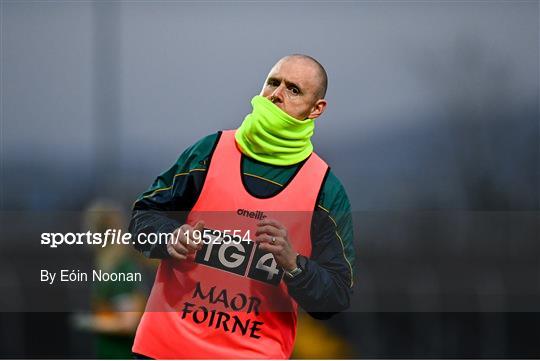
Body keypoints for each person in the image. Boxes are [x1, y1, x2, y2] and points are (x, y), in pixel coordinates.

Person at [129, 54, 355, 359]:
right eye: (273, 82)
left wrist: (293, 265)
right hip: (167, 349)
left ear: (317, 109)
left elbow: (336, 297)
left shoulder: (325, 191)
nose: (276, 94)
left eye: (293, 90)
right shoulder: (209, 152)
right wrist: (170, 237)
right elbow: (142, 218)